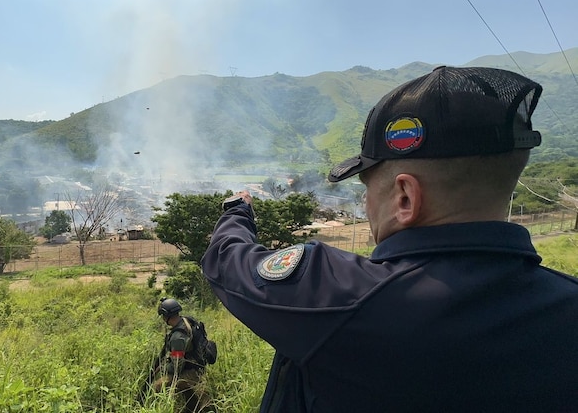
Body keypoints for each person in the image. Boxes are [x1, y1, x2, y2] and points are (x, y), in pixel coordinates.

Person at [200, 66, 578, 412]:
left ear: (405, 198)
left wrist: (237, 210)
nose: (365, 203)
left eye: (368, 189)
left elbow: (226, 262)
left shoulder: (346, 298)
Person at [151, 297, 212, 413]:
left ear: (166, 316)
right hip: (197, 366)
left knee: (157, 387)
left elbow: (177, 366)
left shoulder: (177, 337)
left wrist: (163, 368)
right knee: (189, 396)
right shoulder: (186, 321)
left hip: (191, 372)